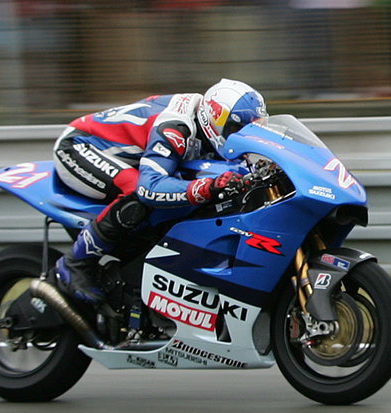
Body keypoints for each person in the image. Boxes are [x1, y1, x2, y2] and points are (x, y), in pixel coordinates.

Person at [52, 78, 269, 305]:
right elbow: (150, 187)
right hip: (79, 146)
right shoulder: (175, 127)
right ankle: (75, 262)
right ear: (215, 119)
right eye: (238, 129)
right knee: (134, 190)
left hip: (130, 156)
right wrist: (208, 187)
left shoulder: (207, 126)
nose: (244, 137)